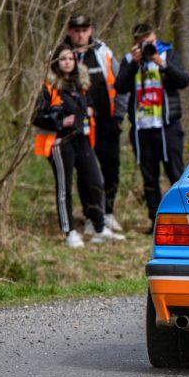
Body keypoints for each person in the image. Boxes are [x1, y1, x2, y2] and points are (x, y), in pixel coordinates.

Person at [33, 43, 125, 247]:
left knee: (96, 180)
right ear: (56, 62)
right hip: (60, 141)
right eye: (63, 59)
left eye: (70, 58)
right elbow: (37, 117)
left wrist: (90, 111)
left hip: (82, 139)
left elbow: (89, 105)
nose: (67, 62)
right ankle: (69, 232)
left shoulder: (81, 84)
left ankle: (99, 227)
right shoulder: (48, 87)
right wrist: (59, 122)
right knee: (64, 187)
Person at [115, 23, 189, 232]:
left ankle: (183, 220)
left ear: (155, 37)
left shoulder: (168, 54)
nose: (146, 44)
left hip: (167, 126)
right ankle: (156, 222)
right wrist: (133, 63)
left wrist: (160, 63)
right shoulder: (130, 60)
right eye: (140, 41)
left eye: (149, 39)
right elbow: (119, 86)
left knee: (175, 173)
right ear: (134, 42)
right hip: (142, 128)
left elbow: (184, 80)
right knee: (149, 177)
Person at [63, 13, 128, 235]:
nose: (80, 34)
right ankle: (90, 215)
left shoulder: (103, 52)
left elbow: (120, 84)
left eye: (84, 30)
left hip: (106, 121)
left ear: (90, 30)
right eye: (76, 30)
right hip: (78, 125)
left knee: (111, 168)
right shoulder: (62, 55)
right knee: (85, 171)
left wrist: (119, 116)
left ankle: (107, 212)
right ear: (70, 31)